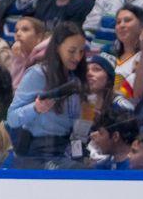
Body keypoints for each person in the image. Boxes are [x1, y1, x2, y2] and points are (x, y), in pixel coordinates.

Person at [7, 21, 86, 168]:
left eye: (81, 52)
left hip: (66, 150)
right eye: (72, 51)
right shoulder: (37, 74)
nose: (77, 57)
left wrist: (79, 153)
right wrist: (35, 108)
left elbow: (79, 127)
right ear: (57, 48)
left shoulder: (76, 80)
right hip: (39, 153)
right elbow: (12, 118)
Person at [112, 4, 143, 100]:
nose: (121, 25)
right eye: (118, 22)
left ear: (142, 26)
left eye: (127, 20)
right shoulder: (109, 55)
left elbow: (131, 95)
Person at [10, 16, 48, 87]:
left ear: (39, 37)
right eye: (16, 31)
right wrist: (18, 58)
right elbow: (14, 88)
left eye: (25, 30)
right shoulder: (19, 55)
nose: (18, 34)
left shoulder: (46, 57)